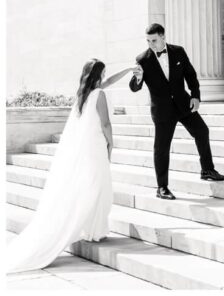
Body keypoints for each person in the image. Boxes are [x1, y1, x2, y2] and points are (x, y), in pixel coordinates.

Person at [6, 58, 135, 274]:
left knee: (94, 186)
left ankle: (93, 230)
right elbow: (105, 123)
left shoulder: (83, 94)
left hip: (87, 148)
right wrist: (111, 142)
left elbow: (109, 81)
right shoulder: (99, 94)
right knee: (98, 187)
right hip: (96, 146)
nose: (105, 76)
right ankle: (94, 231)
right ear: (98, 75)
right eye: (103, 73)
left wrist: (129, 69)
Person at [129, 23, 224, 199]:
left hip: (183, 105)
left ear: (162, 37)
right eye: (148, 41)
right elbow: (134, 88)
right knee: (161, 148)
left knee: (202, 131)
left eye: (154, 40)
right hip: (162, 111)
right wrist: (138, 78)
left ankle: (207, 170)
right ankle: (162, 188)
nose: (151, 44)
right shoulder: (142, 59)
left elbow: (190, 74)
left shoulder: (178, 51)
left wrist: (195, 96)